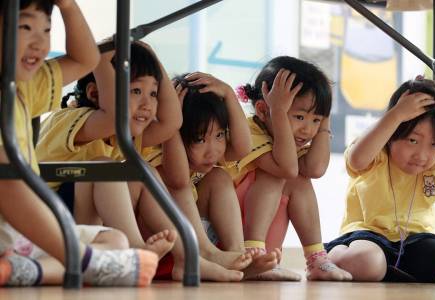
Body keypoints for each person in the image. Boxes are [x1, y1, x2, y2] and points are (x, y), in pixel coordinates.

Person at [0, 0, 158, 287]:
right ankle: (82, 261)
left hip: (21, 232)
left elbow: (86, 59)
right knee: (9, 170)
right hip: (13, 221)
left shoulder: (25, 86)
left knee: (115, 240)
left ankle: (24, 269)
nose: (39, 42)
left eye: (46, 30)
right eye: (25, 27)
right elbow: (8, 184)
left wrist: (69, 7)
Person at [325, 78, 435, 283]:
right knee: (369, 262)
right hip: (369, 236)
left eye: (434, 143)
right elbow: (357, 160)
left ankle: (394, 269)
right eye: (412, 140)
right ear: (394, 132)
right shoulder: (379, 148)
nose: (422, 155)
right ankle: (329, 257)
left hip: (417, 238)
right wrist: (396, 114)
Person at [36, 42, 179, 259]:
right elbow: (115, 116)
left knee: (143, 171)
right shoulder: (71, 119)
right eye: (136, 91)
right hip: (45, 219)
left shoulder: (119, 134)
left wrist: (152, 57)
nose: (147, 104)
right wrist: (100, 58)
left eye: (153, 93)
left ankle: (186, 256)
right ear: (95, 93)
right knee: (104, 166)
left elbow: (172, 122)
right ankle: (135, 250)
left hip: (80, 218)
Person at [223, 56, 352, 281]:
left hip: (261, 238)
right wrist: (279, 112)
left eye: (316, 120)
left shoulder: (288, 142)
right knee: (278, 173)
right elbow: (287, 169)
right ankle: (253, 254)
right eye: (300, 117)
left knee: (300, 179)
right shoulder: (249, 129)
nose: (307, 130)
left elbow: (316, 168)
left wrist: (325, 121)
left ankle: (316, 258)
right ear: (263, 110)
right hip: (230, 241)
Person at [143, 72, 280, 280]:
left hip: (200, 251)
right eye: (199, 139)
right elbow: (179, 178)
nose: (213, 151)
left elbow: (243, 148)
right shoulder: (163, 155)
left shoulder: (206, 161)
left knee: (219, 176)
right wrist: (171, 122)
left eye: (219, 135)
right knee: (175, 182)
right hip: (164, 249)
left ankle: (236, 254)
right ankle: (206, 253)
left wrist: (227, 93)